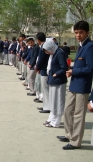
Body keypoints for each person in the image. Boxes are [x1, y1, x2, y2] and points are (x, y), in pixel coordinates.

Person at [58, 21, 93, 150]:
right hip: (74, 84)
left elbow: (90, 68)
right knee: (67, 110)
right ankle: (69, 134)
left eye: (81, 32)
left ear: (87, 33)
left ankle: (75, 141)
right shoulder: (80, 45)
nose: (78, 35)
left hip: (82, 86)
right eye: (76, 32)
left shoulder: (89, 46)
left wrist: (74, 71)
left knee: (78, 114)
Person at [43, 41, 68, 128]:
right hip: (53, 80)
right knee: (53, 101)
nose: (47, 53)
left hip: (59, 81)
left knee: (58, 101)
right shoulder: (53, 54)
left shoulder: (60, 53)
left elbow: (64, 67)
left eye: (47, 50)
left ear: (51, 47)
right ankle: (51, 118)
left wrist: (56, 74)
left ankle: (56, 122)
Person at [35, 32, 50, 113]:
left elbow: (41, 59)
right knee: (44, 89)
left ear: (38, 40)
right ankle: (45, 105)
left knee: (45, 89)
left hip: (44, 70)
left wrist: (37, 67)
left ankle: (47, 107)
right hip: (44, 69)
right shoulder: (44, 46)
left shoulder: (43, 47)